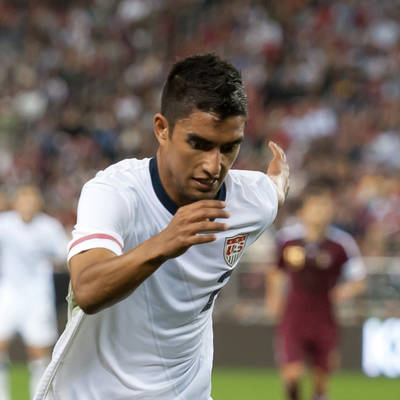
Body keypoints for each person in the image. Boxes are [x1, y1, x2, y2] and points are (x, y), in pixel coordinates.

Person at [34, 53, 290, 400]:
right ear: (162, 129)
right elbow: (87, 289)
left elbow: (273, 191)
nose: (214, 166)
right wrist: (166, 241)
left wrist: (278, 182)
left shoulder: (253, 201)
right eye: (198, 144)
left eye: (229, 148)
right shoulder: (114, 193)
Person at [266, 177, 366, 400]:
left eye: (324, 207)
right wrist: (273, 299)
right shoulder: (287, 240)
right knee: (292, 375)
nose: (320, 212)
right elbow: (276, 272)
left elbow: (359, 280)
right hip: (294, 315)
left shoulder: (342, 244)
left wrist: (343, 292)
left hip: (325, 317)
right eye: (315, 206)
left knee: (321, 381)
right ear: (303, 211)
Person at [0, 185, 68, 400]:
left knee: (38, 352)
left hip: (38, 295)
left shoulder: (50, 227)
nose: (27, 204)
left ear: (39, 203)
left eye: (31, 200)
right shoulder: (5, 224)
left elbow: (64, 257)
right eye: (23, 199)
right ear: (15, 202)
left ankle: (38, 397)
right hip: (9, 292)